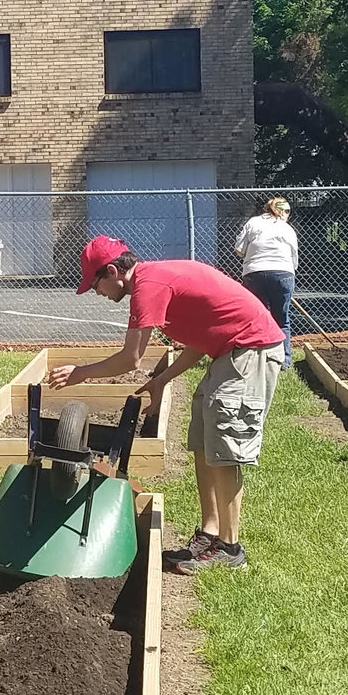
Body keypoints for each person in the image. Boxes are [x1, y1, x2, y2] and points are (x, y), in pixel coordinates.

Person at [53, 236, 284, 575]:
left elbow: (130, 359)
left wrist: (81, 373)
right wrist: (163, 379)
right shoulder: (154, 281)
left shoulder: (148, 287)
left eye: (96, 284)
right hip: (228, 352)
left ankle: (231, 549)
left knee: (223, 446)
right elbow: (200, 339)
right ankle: (210, 534)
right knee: (204, 443)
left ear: (114, 271)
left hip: (251, 349)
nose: (97, 293)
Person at [232, 197, 299, 363]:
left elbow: (239, 249)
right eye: (288, 212)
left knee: (256, 316)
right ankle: (284, 360)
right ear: (284, 212)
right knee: (282, 319)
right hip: (283, 274)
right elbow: (294, 260)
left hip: (255, 273)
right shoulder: (288, 229)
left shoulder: (253, 223)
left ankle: (254, 359)